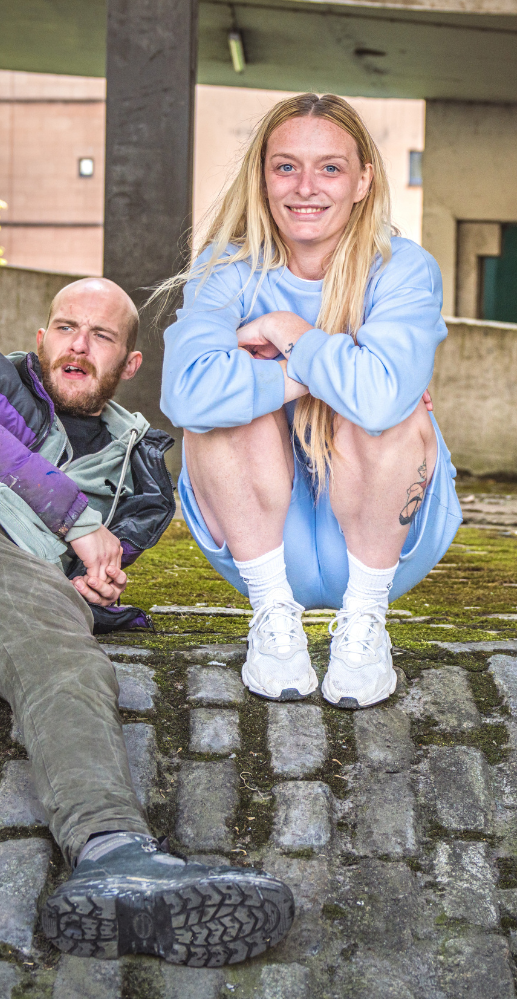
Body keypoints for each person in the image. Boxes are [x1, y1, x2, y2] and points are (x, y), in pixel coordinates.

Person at [0, 277, 294, 966]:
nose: (78, 345)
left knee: (65, 651)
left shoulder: (141, 480)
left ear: (129, 365)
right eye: (65, 327)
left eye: (101, 335)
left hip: (1, 576)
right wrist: (74, 517)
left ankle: (115, 854)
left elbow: (96, 569)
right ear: (42, 338)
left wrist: (90, 583)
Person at [160, 93, 462, 710]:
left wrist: (287, 336)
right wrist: (327, 367)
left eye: (329, 167)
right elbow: (185, 394)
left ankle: (364, 627)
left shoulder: (403, 269)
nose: (305, 187)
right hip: (263, 538)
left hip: (384, 542)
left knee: (390, 411)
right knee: (217, 417)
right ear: (262, 176)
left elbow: (379, 403)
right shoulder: (226, 269)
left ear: (362, 181)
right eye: (285, 166)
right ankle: (274, 620)